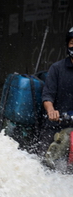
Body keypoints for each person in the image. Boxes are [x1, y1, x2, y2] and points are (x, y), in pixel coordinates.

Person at [40, 27, 73, 158]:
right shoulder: (57, 68)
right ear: (67, 45)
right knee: (45, 160)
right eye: (72, 43)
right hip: (55, 125)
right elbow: (48, 95)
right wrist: (51, 111)